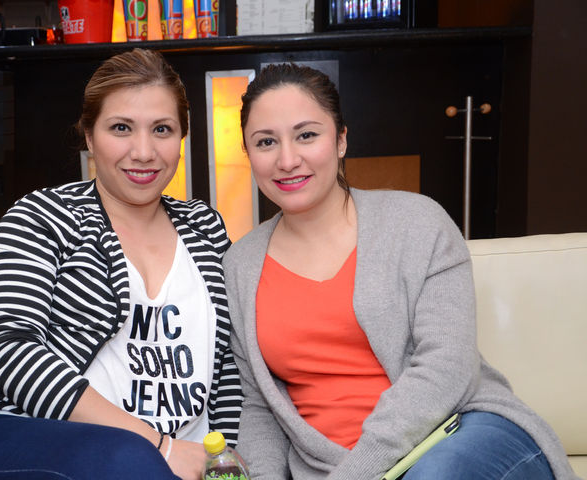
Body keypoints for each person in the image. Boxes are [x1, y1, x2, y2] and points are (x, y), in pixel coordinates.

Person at [223, 63, 578, 480]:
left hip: (457, 436)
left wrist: (358, 472)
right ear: (249, 154)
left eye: (307, 135)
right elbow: (259, 407)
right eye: (266, 142)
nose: (287, 159)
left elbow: (446, 366)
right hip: (333, 467)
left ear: (341, 140)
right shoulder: (240, 266)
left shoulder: (417, 223)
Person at [0, 49, 241, 480]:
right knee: (130, 462)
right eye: (121, 128)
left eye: (162, 129)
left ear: (181, 137)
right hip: (31, 437)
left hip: (176, 455)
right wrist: (159, 446)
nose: (144, 151)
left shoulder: (205, 227)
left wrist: (227, 457)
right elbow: (9, 351)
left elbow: (229, 366)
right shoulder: (42, 217)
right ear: (89, 135)